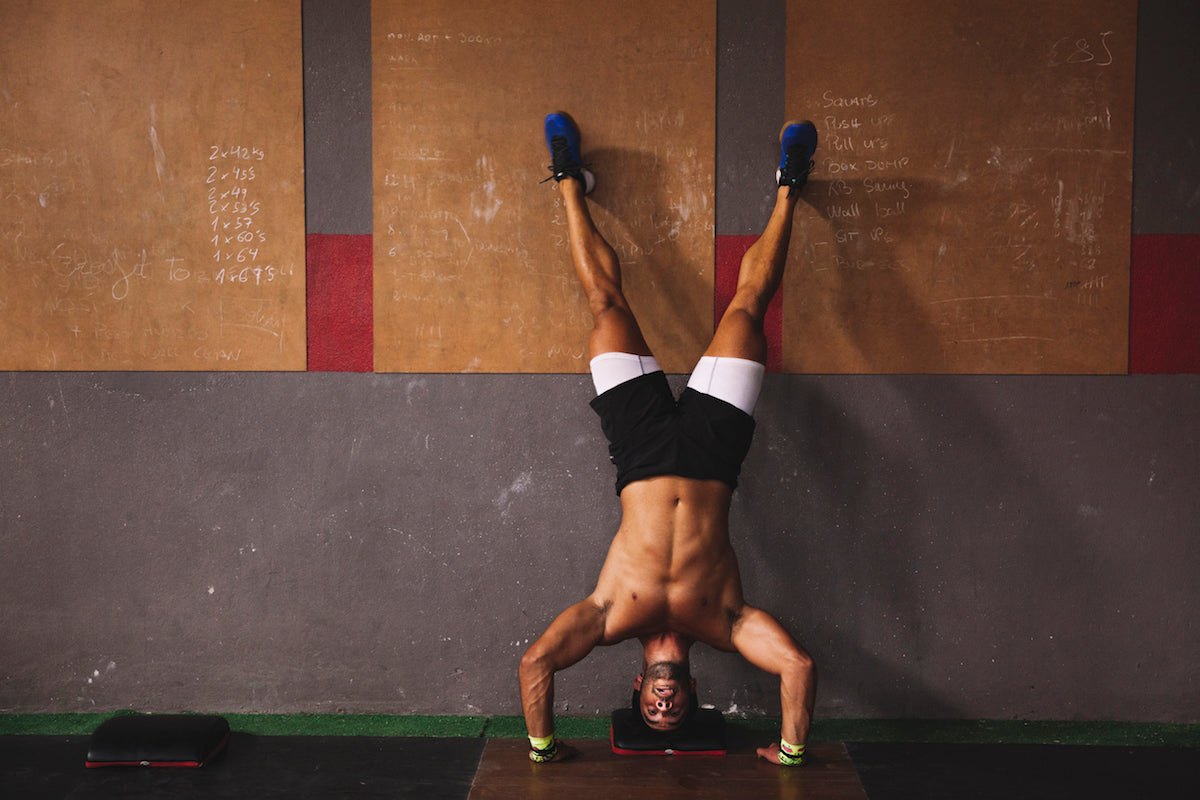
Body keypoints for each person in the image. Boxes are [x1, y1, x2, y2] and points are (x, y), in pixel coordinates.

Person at [519, 112, 818, 767]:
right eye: (670, 713)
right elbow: (797, 666)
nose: (662, 708)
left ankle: (569, 181)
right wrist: (791, 751)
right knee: (746, 309)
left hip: (641, 451)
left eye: (650, 712)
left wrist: (542, 747)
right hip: (715, 454)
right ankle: (791, 187)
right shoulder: (726, 621)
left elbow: (537, 662)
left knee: (605, 306)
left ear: (636, 689)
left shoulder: (607, 616)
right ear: (691, 698)